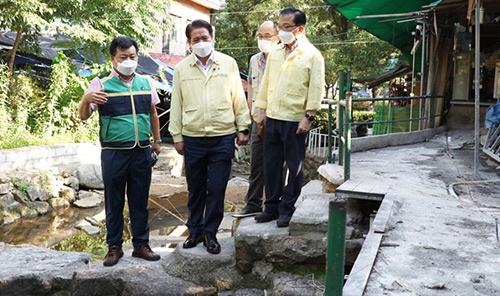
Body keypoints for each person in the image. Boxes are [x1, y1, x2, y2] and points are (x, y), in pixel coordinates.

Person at [168, 19, 251, 254]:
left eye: (205, 38)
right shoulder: (182, 68)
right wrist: (177, 135)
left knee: (216, 187)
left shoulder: (228, 63)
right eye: (196, 40)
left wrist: (243, 126)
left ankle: (211, 233)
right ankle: (194, 231)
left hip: (222, 137)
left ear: (212, 38)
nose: (201, 43)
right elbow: (177, 104)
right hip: (193, 137)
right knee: (195, 188)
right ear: (189, 42)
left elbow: (238, 96)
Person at [78, 36, 162, 266]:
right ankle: (114, 247)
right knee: (113, 201)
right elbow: (83, 115)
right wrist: (86, 99)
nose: (128, 60)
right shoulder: (101, 83)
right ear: (113, 59)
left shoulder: (147, 82)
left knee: (139, 201)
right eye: (123, 57)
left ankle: (141, 245)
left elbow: (153, 113)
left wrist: (157, 140)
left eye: (132, 57)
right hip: (114, 152)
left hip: (142, 151)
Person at [254, 8, 325, 228]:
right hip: (273, 116)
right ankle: (271, 207)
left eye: (286, 27)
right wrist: (261, 112)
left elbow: (316, 88)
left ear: (300, 29)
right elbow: (266, 84)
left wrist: (309, 117)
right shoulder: (275, 52)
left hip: (295, 119)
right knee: (272, 165)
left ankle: (287, 208)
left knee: (294, 167)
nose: (281, 31)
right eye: (280, 26)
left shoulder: (312, 55)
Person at [233, 21, 280, 218]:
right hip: (257, 118)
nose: (263, 40)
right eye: (260, 36)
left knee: (276, 164)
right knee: (256, 163)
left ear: (278, 36)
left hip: (277, 116)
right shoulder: (254, 60)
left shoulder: (283, 58)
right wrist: (252, 113)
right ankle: (253, 204)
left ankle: (274, 205)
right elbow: (251, 87)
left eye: (267, 35)